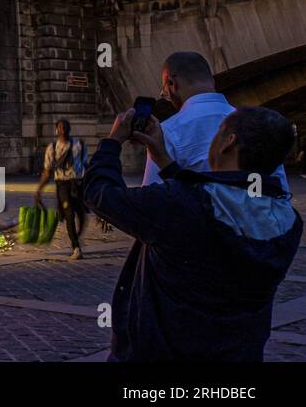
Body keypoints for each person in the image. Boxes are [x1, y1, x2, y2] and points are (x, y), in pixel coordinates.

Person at [84, 105, 302, 361]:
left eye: (219, 132)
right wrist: (163, 159)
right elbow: (217, 201)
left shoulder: (183, 204)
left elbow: (101, 195)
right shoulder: (289, 221)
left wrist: (112, 142)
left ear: (228, 142)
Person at [144, 51, 289, 193]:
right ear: (213, 81)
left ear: (171, 83)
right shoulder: (259, 124)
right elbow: (280, 190)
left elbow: (151, 197)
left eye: (166, 95)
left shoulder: (166, 132)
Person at [34, 119, 87, 259]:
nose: (63, 129)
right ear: (57, 130)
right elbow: (47, 171)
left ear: (69, 128)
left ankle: (76, 235)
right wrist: (39, 189)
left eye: (65, 126)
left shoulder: (79, 144)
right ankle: (76, 246)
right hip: (62, 185)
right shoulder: (52, 147)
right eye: (60, 127)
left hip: (78, 183)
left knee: (81, 215)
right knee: (69, 214)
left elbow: (86, 165)